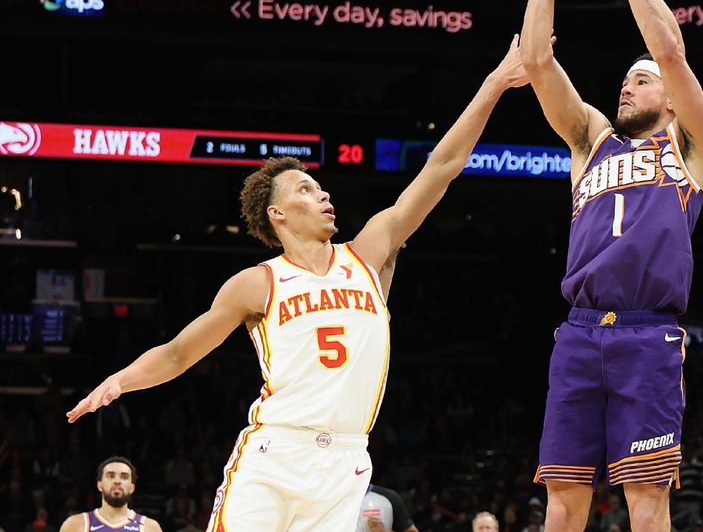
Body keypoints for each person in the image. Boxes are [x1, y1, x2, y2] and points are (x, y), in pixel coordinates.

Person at [65, 36, 530, 531]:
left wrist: (496, 83)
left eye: (320, 186)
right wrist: (120, 380)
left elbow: (442, 167)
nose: (323, 191)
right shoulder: (257, 283)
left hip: (346, 460)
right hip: (274, 451)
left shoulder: (370, 252)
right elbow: (179, 353)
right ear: (278, 213)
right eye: (306, 188)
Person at [519, 0, 703, 531]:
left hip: (648, 334)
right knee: (560, 500)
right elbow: (536, 61)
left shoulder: (692, 142)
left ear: (667, 94)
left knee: (647, 501)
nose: (626, 88)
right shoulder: (590, 140)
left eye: (640, 81)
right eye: (625, 82)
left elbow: (671, 53)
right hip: (579, 333)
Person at [59, 456, 162, 532]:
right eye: (111, 476)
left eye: (124, 477)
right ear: (100, 485)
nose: (117, 481)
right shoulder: (76, 524)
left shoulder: (149, 527)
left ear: (132, 488)